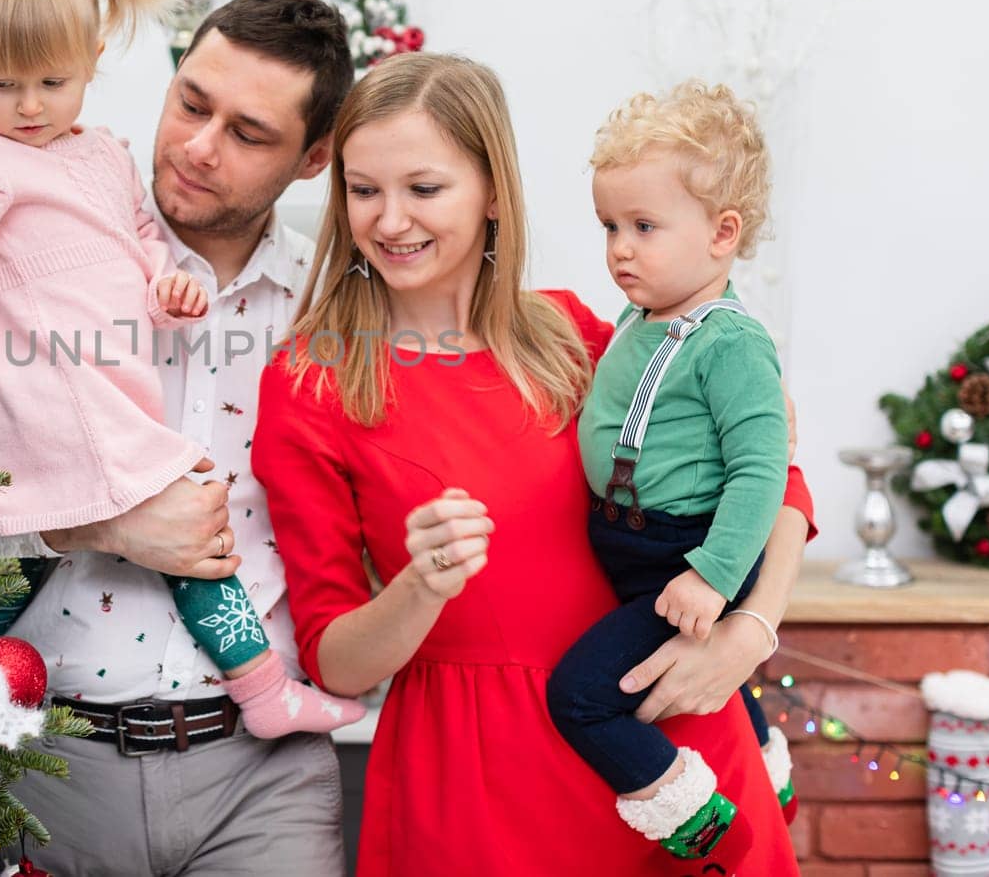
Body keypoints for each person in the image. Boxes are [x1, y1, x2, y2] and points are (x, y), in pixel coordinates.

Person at [250, 53, 815, 875]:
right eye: (363, 188)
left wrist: (748, 634)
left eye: (424, 187)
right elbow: (335, 656)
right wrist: (420, 583)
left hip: (662, 753)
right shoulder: (313, 379)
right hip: (477, 779)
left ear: (490, 191)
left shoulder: (580, 335)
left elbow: (778, 482)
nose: (389, 218)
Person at [0, 0, 360, 875]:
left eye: (249, 133)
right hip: (41, 763)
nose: (197, 146)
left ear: (314, 158)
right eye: (191, 102)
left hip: (262, 782)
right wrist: (84, 523)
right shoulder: (14, 265)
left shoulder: (331, 311)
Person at [545, 81, 794, 868]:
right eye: (610, 226)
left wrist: (712, 580)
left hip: (684, 553)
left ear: (723, 233)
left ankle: (696, 815)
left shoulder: (731, 343)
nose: (620, 246)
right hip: (640, 548)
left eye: (644, 226)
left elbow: (763, 471)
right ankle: (766, 756)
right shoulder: (637, 320)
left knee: (580, 696)